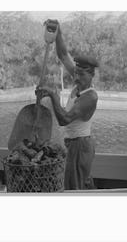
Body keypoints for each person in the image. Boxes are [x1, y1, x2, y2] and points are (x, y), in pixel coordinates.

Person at [36, 20, 99, 190]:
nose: (76, 77)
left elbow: (64, 119)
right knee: (77, 182)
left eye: (82, 75)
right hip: (73, 143)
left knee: (74, 187)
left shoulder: (90, 97)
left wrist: (53, 95)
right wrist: (58, 32)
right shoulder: (80, 81)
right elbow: (63, 55)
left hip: (80, 146)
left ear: (91, 75)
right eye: (76, 73)